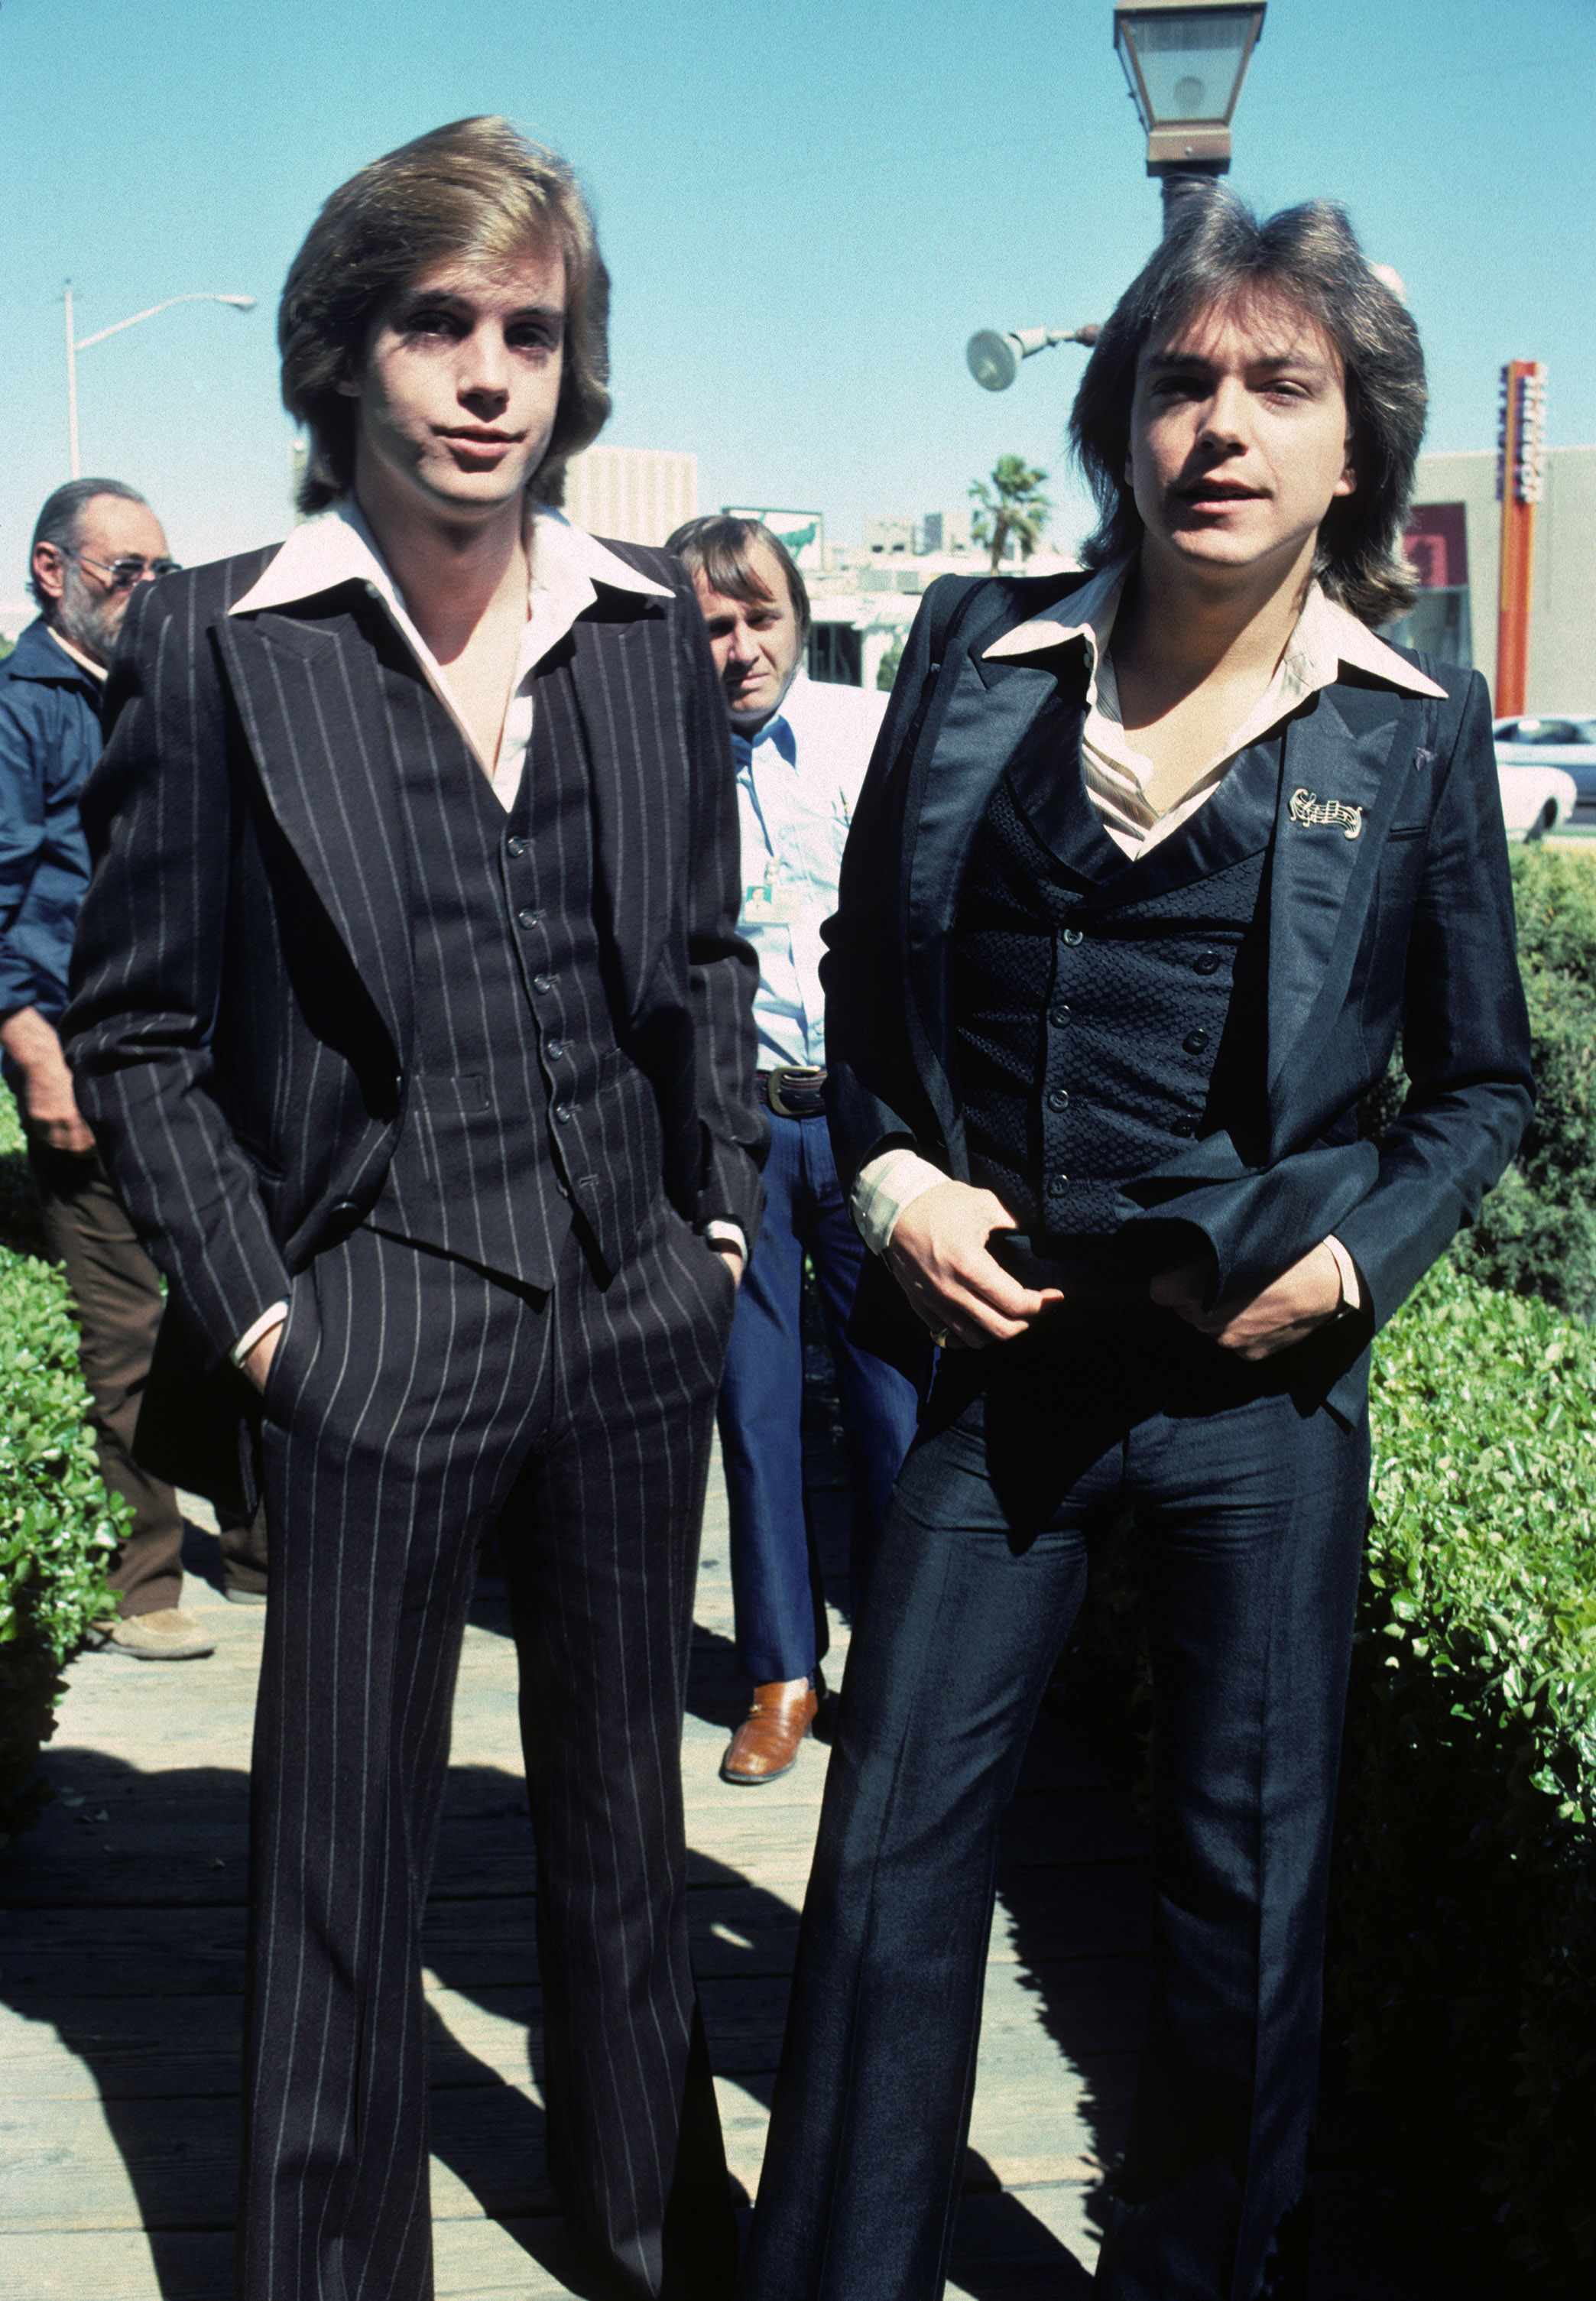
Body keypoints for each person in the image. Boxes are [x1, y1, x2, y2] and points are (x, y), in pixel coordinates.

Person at [740, 196, 1533, 2300]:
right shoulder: (973, 658)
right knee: (891, 1845)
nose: (1223, 426)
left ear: (1355, 448)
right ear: (1120, 419)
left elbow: (1480, 1088)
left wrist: (1351, 1263)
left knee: (1240, 1891)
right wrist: (896, 1183)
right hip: (1003, 1392)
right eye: (1182, 379)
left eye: (1284, 387)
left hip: (1255, 1399)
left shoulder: (1416, 726)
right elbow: (868, 977)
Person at [65, 118, 763, 2301]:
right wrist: (272, 1321)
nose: (486, 374)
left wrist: (717, 1223)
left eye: (529, 333)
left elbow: (714, 958)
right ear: (342, 354)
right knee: (337, 1871)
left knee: (627, 1837)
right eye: (434, 323)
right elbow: (144, 1030)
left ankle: (653, 2227)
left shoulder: (650, 636)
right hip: (375, 1322)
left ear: (577, 368)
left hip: (635, 1308)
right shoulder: (213, 641)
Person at [667, 515, 922, 1785]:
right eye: (712, 624)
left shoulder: (869, 736)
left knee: (893, 1404)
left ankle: (896, 1664)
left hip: (871, 1124)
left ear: (799, 616)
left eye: (760, 616)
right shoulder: (659, 765)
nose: (740, 647)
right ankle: (782, 1674)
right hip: (741, 1131)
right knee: (755, 1408)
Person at [0, 481, 228, 1657]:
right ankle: (145, 1582)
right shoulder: (18, 709)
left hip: (187, 1051)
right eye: (121, 571)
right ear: (52, 571)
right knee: (122, 1322)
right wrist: (34, 1056)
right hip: (78, 1057)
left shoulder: (167, 687)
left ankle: (257, 1541)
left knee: (235, 1290)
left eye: (162, 569)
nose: (148, 592)